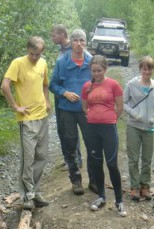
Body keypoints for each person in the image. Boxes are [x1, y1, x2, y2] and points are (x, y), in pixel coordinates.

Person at [1, 36, 52, 210]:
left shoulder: (43, 63)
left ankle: (36, 192)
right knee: (28, 159)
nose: (35, 57)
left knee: (42, 156)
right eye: (32, 54)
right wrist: (16, 106)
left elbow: (45, 84)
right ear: (27, 50)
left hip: (42, 117)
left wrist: (47, 100)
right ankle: (26, 195)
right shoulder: (18, 63)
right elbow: (5, 85)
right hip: (27, 119)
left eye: (38, 54)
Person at [49, 29, 95, 195]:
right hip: (67, 110)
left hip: (86, 111)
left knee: (92, 144)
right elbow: (52, 85)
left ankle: (94, 180)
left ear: (85, 42)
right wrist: (65, 93)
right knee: (70, 144)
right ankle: (76, 180)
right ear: (71, 42)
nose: (79, 44)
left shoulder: (91, 61)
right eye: (76, 40)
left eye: (82, 40)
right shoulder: (62, 62)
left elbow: (99, 83)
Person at [81, 55, 126, 217]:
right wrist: (94, 117)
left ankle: (119, 201)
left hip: (108, 129)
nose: (96, 74)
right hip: (92, 129)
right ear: (90, 71)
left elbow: (120, 106)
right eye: (93, 71)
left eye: (99, 70)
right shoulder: (87, 86)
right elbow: (85, 107)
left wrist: (111, 119)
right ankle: (101, 196)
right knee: (96, 162)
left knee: (112, 164)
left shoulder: (113, 85)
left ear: (105, 69)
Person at [123, 56, 154, 201]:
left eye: (150, 68)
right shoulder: (131, 84)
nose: (147, 71)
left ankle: (145, 186)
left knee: (147, 159)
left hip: (149, 127)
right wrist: (135, 114)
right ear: (140, 69)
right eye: (144, 68)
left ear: (153, 69)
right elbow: (124, 103)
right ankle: (134, 187)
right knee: (133, 159)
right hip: (134, 126)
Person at [50, 24, 84, 170]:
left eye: (54, 35)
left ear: (63, 34)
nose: (52, 37)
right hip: (61, 97)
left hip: (72, 101)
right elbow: (54, 82)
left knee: (71, 132)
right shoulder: (61, 51)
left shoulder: (74, 51)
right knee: (62, 130)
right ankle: (69, 158)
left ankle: (76, 159)